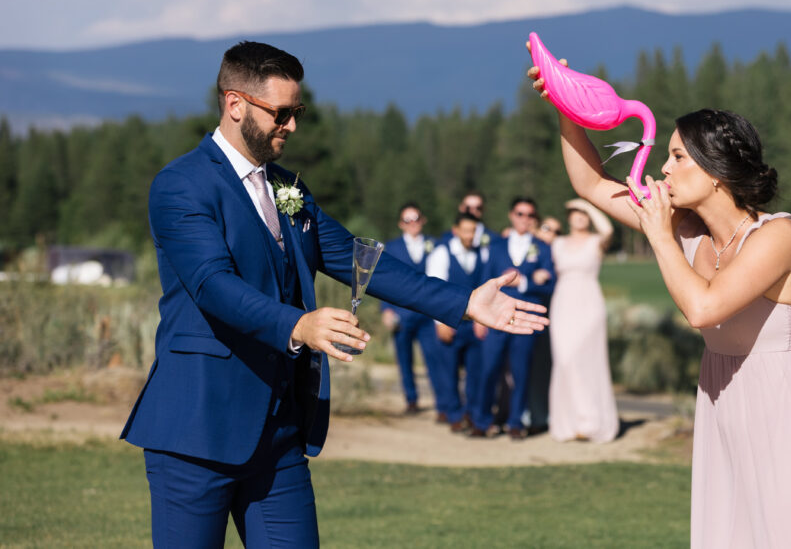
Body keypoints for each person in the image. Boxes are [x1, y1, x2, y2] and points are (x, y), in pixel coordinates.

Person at [119, 41, 547, 548]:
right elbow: (213, 286)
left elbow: (358, 259)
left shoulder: (289, 190)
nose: (292, 126)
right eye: (280, 113)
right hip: (194, 431)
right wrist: (297, 326)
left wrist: (462, 302)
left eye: (297, 112)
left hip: (278, 434)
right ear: (235, 104)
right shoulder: (181, 185)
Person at [531, 58, 791, 547]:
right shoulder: (688, 230)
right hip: (725, 407)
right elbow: (589, 185)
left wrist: (659, 236)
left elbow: (703, 309)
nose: (663, 168)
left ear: (716, 172)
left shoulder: (777, 236)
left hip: (787, 413)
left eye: (677, 157)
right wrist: (565, 104)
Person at [469, 197, 556, 439]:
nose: (524, 219)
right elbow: (483, 283)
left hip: (526, 318)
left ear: (534, 219)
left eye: (529, 215)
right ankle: (482, 420)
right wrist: (478, 318)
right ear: (511, 215)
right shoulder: (496, 247)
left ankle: (516, 422)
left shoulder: (543, 248)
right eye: (520, 213)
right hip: (495, 317)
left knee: (521, 372)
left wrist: (525, 282)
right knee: (489, 370)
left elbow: (551, 286)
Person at [548, 198, 619, 443]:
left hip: (588, 304)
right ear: (567, 218)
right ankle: (568, 421)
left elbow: (608, 229)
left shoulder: (595, 242)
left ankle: (590, 422)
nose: (580, 217)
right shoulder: (557, 243)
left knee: (587, 361)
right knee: (565, 360)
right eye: (575, 213)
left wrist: (589, 204)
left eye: (583, 214)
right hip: (563, 303)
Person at [380, 202, 449, 418]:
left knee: (434, 358)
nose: (413, 223)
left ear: (423, 220)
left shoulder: (435, 244)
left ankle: (443, 404)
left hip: (428, 313)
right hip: (402, 313)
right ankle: (411, 399)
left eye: (416, 218)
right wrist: (386, 309)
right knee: (404, 358)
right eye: (407, 220)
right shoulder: (391, 247)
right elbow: (384, 281)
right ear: (401, 224)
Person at [425, 211, 489, 431]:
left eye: (473, 230)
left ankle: (472, 413)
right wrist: (440, 322)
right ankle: (454, 415)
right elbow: (434, 290)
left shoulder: (482, 253)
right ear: (456, 230)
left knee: (475, 371)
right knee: (448, 371)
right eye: (466, 230)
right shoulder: (442, 253)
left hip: (474, 324)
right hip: (449, 321)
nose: (470, 235)